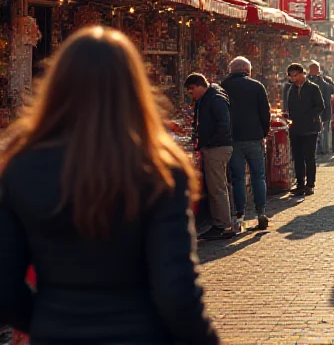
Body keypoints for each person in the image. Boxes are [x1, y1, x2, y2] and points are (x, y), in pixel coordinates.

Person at [0, 26, 219, 344]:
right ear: (133, 88)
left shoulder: (20, 166)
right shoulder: (158, 168)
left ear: (57, 85)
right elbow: (176, 290)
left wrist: (49, 320)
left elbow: (4, 285)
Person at [221, 56, 271, 232]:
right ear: (247, 70)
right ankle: (261, 213)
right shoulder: (257, 86)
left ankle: (239, 215)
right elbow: (265, 113)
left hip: (233, 138)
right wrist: (263, 133)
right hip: (254, 137)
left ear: (231, 70)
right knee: (259, 176)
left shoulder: (223, 86)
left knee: (238, 178)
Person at [185, 72, 234, 240]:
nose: (191, 95)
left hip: (217, 148)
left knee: (217, 187)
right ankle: (221, 222)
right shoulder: (206, 98)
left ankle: (223, 225)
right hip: (214, 146)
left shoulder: (215, 98)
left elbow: (223, 124)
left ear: (199, 86)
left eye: (191, 91)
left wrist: (209, 142)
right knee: (216, 187)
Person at [285, 63, 324, 198]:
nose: (292, 79)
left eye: (294, 76)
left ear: (302, 74)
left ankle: (310, 184)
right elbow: (289, 107)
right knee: (297, 157)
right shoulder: (290, 89)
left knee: (309, 156)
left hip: (310, 128)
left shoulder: (313, 88)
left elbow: (320, 106)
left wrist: (309, 116)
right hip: (295, 128)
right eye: (290, 76)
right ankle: (300, 184)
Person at [308, 61, 334, 155]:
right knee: (322, 131)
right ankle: (323, 149)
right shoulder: (325, 82)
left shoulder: (323, 82)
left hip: (321, 110)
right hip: (319, 111)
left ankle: (324, 149)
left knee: (323, 131)